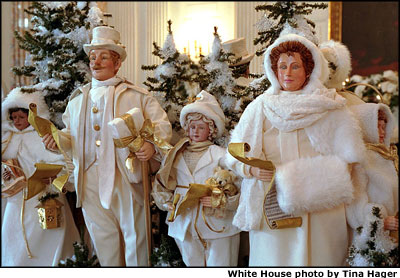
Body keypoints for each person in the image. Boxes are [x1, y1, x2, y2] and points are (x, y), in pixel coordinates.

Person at [226, 33, 367, 266]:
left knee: (321, 260)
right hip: (274, 204)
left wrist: (319, 180)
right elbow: (235, 152)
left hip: (321, 207)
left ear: (309, 69)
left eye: (295, 66)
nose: (288, 73)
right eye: (282, 66)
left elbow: (350, 158)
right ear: (273, 70)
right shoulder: (259, 107)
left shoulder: (331, 106)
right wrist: (251, 170)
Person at [42, 26, 172, 266]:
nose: (96, 62)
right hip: (88, 177)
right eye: (93, 57)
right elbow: (70, 136)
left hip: (125, 175)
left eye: (103, 57)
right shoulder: (77, 100)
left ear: (117, 62)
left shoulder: (138, 96)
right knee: (102, 236)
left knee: (135, 233)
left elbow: (161, 127)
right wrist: (56, 140)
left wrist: (152, 147)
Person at [152, 90, 241, 266]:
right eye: (192, 127)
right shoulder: (176, 154)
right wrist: (166, 202)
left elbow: (239, 184)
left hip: (217, 223)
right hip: (183, 222)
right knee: (192, 263)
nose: (195, 131)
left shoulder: (221, 155)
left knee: (220, 264)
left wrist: (223, 201)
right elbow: (162, 182)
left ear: (211, 130)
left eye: (201, 127)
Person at [1, 88, 80, 266]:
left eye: (22, 117)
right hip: (17, 195)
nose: (17, 122)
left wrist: (55, 178)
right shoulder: (7, 138)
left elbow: (62, 162)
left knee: (48, 233)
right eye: (14, 118)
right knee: (12, 231)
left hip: (43, 193)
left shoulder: (43, 137)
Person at [349, 103, 398, 233]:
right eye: (377, 127)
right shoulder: (360, 160)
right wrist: (380, 220)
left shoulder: (389, 155)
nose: (382, 132)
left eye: (384, 127)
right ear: (365, 127)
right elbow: (355, 203)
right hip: (375, 238)